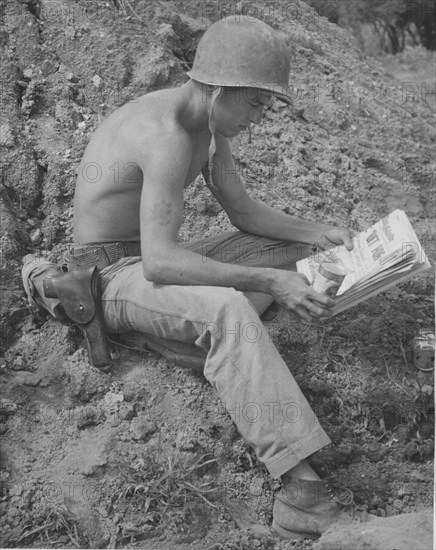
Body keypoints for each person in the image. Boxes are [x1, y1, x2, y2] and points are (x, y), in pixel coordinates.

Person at [22, 16, 374, 539]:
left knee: (289, 251)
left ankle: (204, 342)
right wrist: (270, 282)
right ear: (217, 89)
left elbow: (244, 212)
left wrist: (317, 231)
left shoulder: (207, 126)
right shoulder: (163, 133)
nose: (259, 117)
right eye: (254, 103)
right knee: (231, 308)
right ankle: (300, 490)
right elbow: (162, 263)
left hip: (150, 259)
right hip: (112, 278)